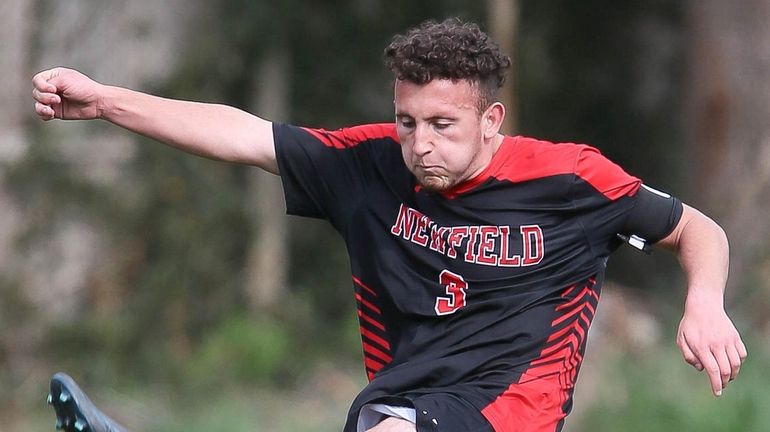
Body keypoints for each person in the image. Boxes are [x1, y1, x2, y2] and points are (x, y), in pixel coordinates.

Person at [33, 18, 746, 432]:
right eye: (407, 121)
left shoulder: (570, 177)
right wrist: (105, 103)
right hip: (395, 401)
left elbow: (697, 229)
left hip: (510, 413)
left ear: (491, 119)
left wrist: (705, 305)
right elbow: (242, 134)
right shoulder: (369, 163)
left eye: (442, 124)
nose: (420, 143)